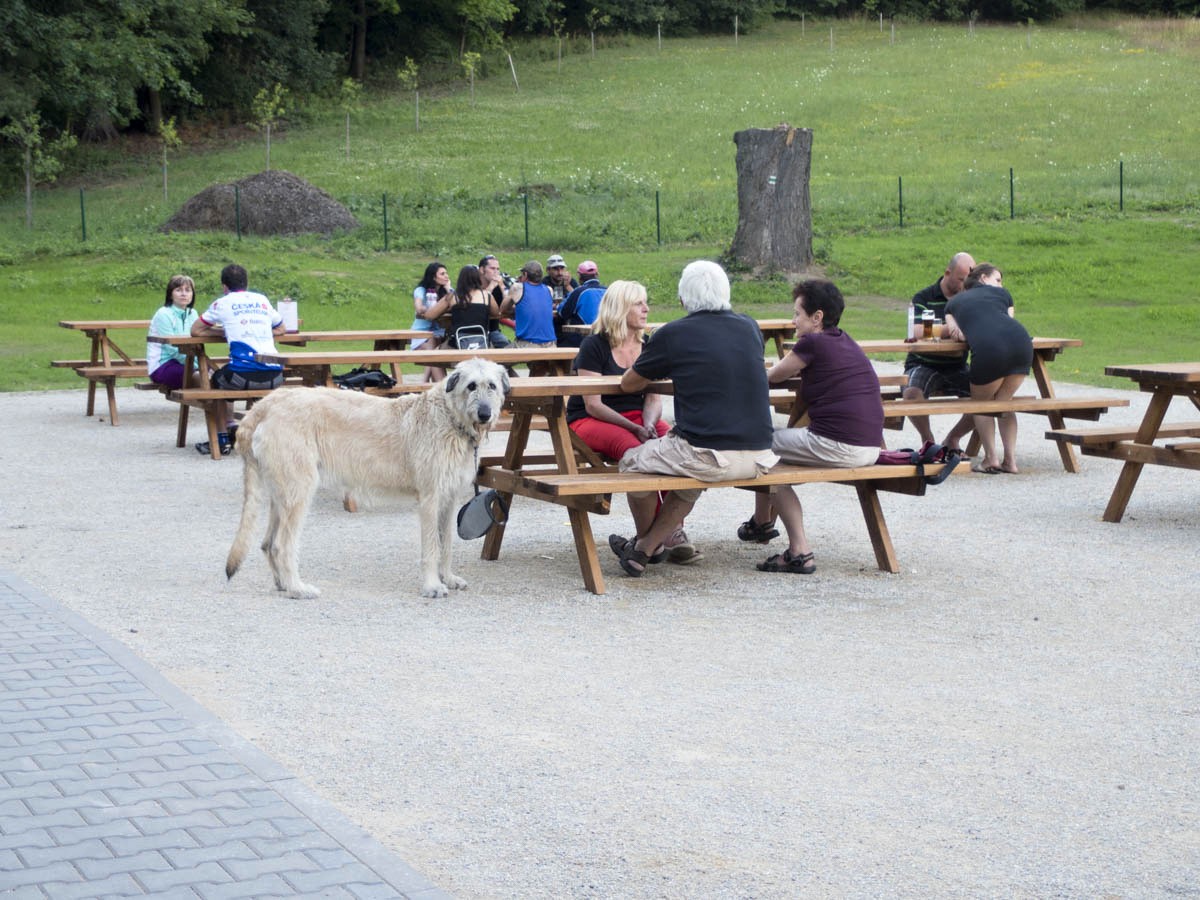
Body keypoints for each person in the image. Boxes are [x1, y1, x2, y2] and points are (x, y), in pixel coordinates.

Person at [610, 260, 777, 577]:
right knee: (689, 478)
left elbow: (629, 384)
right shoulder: (750, 327)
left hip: (708, 453)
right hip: (760, 454)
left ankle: (647, 544)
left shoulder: (673, 333)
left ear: (682, 299)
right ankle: (644, 550)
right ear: (726, 292)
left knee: (632, 462)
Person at [738, 280, 885, 574]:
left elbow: (772, 376)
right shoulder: (845, 340)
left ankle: (797, 549)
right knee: (770, 449)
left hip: (840, 445)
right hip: (870, 447)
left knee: (759, 446)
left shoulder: (812, 343)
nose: (793, 321)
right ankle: (762, 523)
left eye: (797, 314)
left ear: (817, 317)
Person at [567, 281, 698, 565]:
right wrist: (635, 429)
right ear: (620, 308)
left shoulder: (648, 345)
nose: (646, 309)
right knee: (638, 454)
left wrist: (649, 424)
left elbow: (653, 397)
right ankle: (655, 538)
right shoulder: (594, 345)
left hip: (639, 417)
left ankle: (665, 534)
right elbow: (593, 404)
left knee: (678, 446)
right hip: (591, 419)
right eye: (639, 303)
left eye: (645, 302)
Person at [943, 263, 1033, 475]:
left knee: (981, 405)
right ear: (983, 278)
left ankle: (991, 459)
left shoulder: (953, 304)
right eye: (997, 279)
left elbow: (957, 334)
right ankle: (1010, 461)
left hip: (990, 349)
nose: (1000, 284)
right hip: (1021, 344)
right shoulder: (1003, 294)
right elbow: (1007, 320)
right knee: (1004, 403)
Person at [189, 264, 286, 455]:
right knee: (247, 382)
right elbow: (282, 328)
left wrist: (225, 330)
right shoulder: (262, 300)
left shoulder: (223, 303)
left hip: (241, 377)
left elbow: (196, 330)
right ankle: (259, 439)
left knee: (215, 383)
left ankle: (222, 439)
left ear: (224, 287)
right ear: (246, 284)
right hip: (275, 376)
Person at [903, 251, 976, 452]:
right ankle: (929, 441)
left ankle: (953, 439)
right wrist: (950, 328)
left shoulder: (969, 299)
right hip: (923, 362)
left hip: (957, 365)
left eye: (968, 280)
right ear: (947, 273)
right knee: (911, 393)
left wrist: (935, 330)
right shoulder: (924, 297)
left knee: (990, 397)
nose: (964, 285)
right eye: (961, 279)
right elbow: (916, 331)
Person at [427, 265, 504, 348]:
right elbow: (496, 314)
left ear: (460, 279)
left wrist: (448, 309)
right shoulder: (486, 295)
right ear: (478, 278)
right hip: (482, 344)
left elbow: (429, 315)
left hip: (457, 345)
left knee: (435, 353)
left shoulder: (452, 296)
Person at [146, 274, 199, 390]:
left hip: (188, 362)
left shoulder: (193, 314)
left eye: (188, 290)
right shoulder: (163, 314)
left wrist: (200, 364)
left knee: (215, 376)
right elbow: (171, 349)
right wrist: (196, 365)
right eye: (178, 290)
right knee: (201, 377)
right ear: (170, 294)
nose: (184, 294)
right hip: (163, 365)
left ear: (192, 294)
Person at [500, 260, 557, 348]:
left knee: (498, 356)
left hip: (527, 344)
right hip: (551, 344)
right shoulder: (549, 290)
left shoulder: (517, 288)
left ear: (526, 275)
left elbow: (503, 309)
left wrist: (501, 286)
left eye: (522, 274)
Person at [411, 261, 451, 383]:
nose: (446, 276)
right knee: (434, 347)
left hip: (440, 334)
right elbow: (419, 308)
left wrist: (449, 289)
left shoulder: (447, 292)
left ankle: (426, 383)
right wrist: (433, 309)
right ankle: (428, 383)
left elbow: (458, 305)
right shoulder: (421, 290)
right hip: (421, 334)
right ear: (433, 277)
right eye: (442, 274)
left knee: (437, 344)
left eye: (446, 273)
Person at [555, 260, 605, 348]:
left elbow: (563, 313)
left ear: (579, 276)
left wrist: (559, 305)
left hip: (583, 340)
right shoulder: (608, 291)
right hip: (605, 337)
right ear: (597, 274)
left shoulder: (579, 292)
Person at [478, 254, 512, 348]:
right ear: (482, 270)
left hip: (493, 331)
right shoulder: (474, 284)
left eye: (498, 269)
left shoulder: (499, 287)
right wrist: (491, 287)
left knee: (508, 350)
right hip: (475, 331)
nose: (496, 272)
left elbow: (508, 307)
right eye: (492, 268)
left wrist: (502, 287)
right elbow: (478, 303)